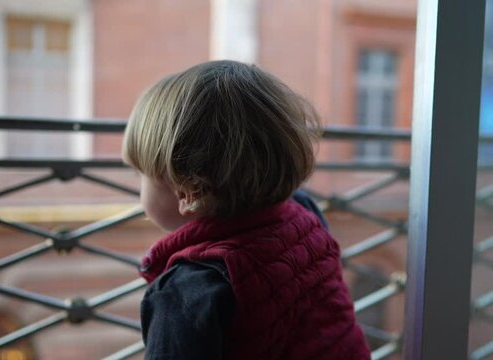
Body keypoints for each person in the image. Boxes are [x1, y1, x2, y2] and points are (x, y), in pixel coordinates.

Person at [122, 60, 370, 359]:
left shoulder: (190, 290)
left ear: (188, 191)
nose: (139, 185)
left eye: (142, 174)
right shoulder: (304, 213)